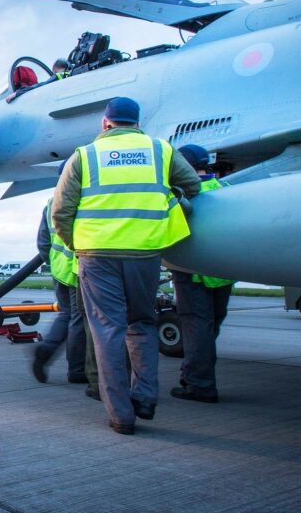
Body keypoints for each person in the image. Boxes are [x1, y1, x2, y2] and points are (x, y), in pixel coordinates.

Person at [52, 97, 201, 434]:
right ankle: (145, 397)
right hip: (145, 253)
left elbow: (61, 211)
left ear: (105, 124)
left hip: (97, 256)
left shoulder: (85, 156)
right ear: (137, 122)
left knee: (106, 332)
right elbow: (192, 185)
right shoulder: (160, 151)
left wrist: (78, 246)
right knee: (143, 324)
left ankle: (121, 415)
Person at [169, 144, 234, 404]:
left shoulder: (183, 195)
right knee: (211, 327)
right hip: (224, 272)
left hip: (193, 273)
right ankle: (198, 374)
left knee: (197, 328)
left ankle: (199, 384)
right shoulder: (225, 189)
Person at [32, 162, 87, 384]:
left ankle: (47, 348)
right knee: (78, 319)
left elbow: (43, 242)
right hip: (77, 267)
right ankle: (77, 370)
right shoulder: (83, 199)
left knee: (66, 314)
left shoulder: (51, 203)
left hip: (59, 269)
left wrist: (54, 265)